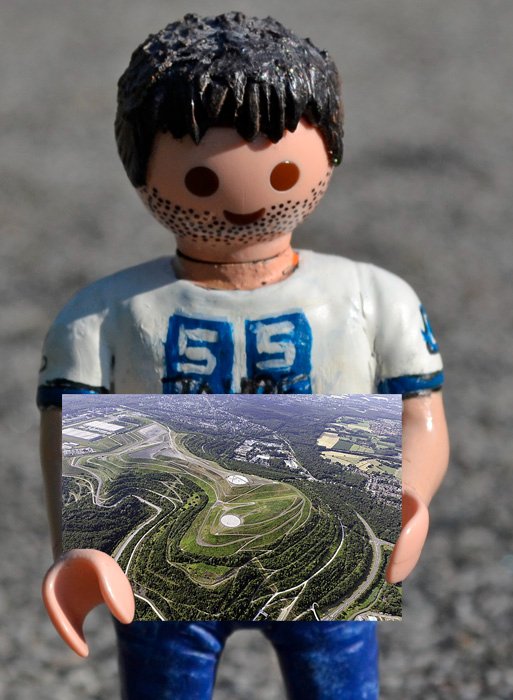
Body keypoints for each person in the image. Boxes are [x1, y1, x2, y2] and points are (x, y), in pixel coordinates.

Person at [38, 13, 449, 699]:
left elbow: (422, 416)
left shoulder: (373, 297)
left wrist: (410, 493)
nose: (243, 196)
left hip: (330, 537)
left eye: (284, 168)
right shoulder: (100, 316)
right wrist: (76, 546)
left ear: (329, 152)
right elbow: (65, 437)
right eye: (200, 179)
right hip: (162, 545)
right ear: (140, 167)